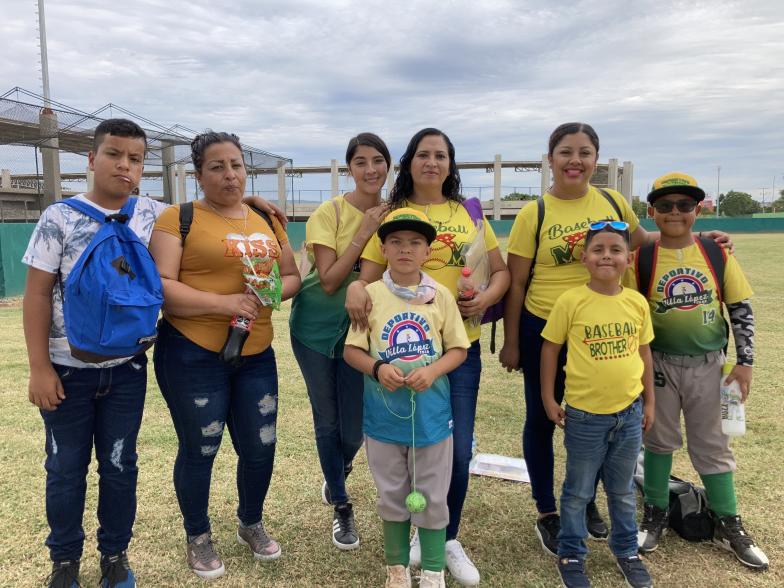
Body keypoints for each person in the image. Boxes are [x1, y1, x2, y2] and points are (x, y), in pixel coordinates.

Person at [499, 122, 730, 556]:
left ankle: (584, 502)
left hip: (607, 329)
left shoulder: (611, 201)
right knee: (544, 416)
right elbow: (515, 283)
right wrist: (512, 341)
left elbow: (648, 243)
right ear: (550, 159)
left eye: (585, 152)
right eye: (566, 152)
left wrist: (701, 242)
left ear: (595, 160)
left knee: (601, 419)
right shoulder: (536, 212)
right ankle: (549, 511)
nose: (575, 160)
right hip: (546, 325)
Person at [346, 128, 509, 586]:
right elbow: (368, 278)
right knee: (403, 451)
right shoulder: (395, 214)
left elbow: (499, 272)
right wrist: (357, 287)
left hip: (456, 349)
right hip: (400, 351)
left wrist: (483, 299)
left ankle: (444, 537)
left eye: (441, 155)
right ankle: (409, 544)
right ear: (409, 162)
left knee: (453, 453)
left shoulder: (469, 212)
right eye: (423, 154)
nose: (432, 162)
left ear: (451, 164)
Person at [148, 131, 300, 580]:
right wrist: (225, 304)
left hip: (256, 352)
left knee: (260, 447)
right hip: (192, 354)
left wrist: (272, 293)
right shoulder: (180, 218)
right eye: (217, 167)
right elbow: (163, 287)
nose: (229, 174)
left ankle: (250, 521)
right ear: (198, 175)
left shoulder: (266, 220)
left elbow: (292, 275)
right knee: (201, 447)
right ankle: (197, 534)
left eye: (235, 165)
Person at [23, 118, 161, 588]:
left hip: (127, 369)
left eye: (135, 159)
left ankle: (115, 556)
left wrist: (251, 199)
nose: (125, 165)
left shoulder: (151, 214)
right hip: (67, 371)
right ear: (91, 159)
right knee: (65, 468)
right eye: (114, 154)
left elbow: (207, 209)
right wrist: (40, 367)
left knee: (121, 466)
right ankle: (64, 563)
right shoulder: (58, 218)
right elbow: (38, 295)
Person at [633, 173, 768, 569]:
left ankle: (728, 521)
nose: (675, 212)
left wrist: (744, 364)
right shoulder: (643, 257)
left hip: (709, 364)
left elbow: (740, 308)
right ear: (652, 212)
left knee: (712, 444)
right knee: (658, 440)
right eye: (666, 206)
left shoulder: (715, 252)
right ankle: (655, 513)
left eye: (685, 205)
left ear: (698, 210)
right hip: (658, 363)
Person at [344, 207, 470, 588]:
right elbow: (352, 350)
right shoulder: (370, 295)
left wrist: (432, 371)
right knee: (393, 497)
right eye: (396, 242)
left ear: (428, 251)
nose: (405, 249)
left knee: (432, 498)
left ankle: (432, 572)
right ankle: (396, 571)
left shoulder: (441, 296)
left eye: (415, 242)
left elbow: (458, 349)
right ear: (382, 249)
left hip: (431, 420)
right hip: (384, 420)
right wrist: (378, 368)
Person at [541, 221, 655, 588]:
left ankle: (626, 550)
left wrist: (649, 401)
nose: (607, 256)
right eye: (599, 249)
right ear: (585, 257)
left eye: (616, 249)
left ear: (629, 257)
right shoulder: (571, 301)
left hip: (629, 413)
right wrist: (547, 396)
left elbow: (644, 353)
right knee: (578, 491)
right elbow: (550, 348)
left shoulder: (636, 302)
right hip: (585, 416)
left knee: (621, 490)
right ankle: (572, 551)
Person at [289, 133, 390, 550]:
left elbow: (382, 273)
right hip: (313, 329)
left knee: (353, 430)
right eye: (361, 162)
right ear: (350, 168)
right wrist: (364, 230)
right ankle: (342, 505)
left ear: (388, 166)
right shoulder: (328, 213)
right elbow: (330, 282)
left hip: (361, 333)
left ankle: (339, 466)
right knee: (326, 420)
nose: (370, 169)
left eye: (378, 161)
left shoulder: (395, 214)